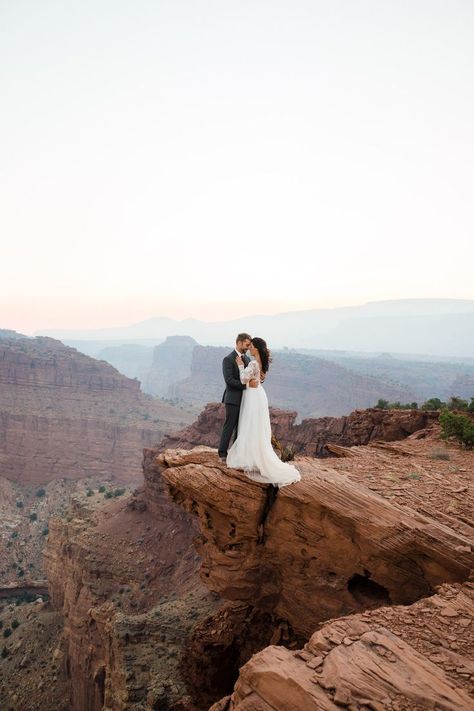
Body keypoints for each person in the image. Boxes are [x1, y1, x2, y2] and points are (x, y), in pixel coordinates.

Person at [226, 337, 300, 488]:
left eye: (252, 346)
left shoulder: (253, 363)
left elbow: (243, 379)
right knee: (256, 427)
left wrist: (240, 366)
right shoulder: (261, 363)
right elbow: (254, 380)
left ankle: (250, 458)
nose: (249, 349)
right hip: (258, 395)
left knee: (250, 425)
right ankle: (254, 457)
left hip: (252, 397)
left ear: (257, 349)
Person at [218, 333, 259, 460]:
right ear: (239, 342)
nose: (248, 347)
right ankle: (222, 453)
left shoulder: (247, 360)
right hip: (233, 399)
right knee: (230, 425)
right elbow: (229, 380)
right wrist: (247, 385)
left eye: (249, 345)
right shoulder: (228, 359)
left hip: (246, 399)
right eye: (246, 344)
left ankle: (235, 453)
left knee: (241, 427)